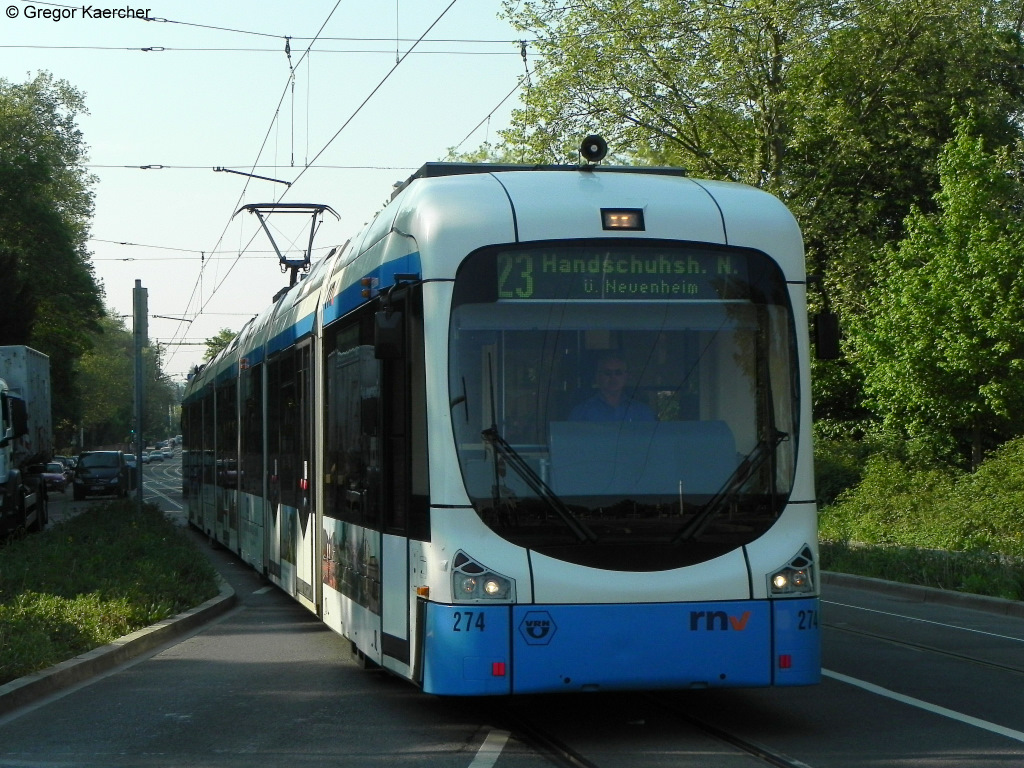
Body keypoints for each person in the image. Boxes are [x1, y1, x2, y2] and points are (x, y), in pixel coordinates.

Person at [569, 353, 657, 422]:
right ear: (597, 377)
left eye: (618, 373)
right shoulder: (581, 412)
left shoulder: (642, 412)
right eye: (607, 373)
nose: (613, 377)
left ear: (626, 376)